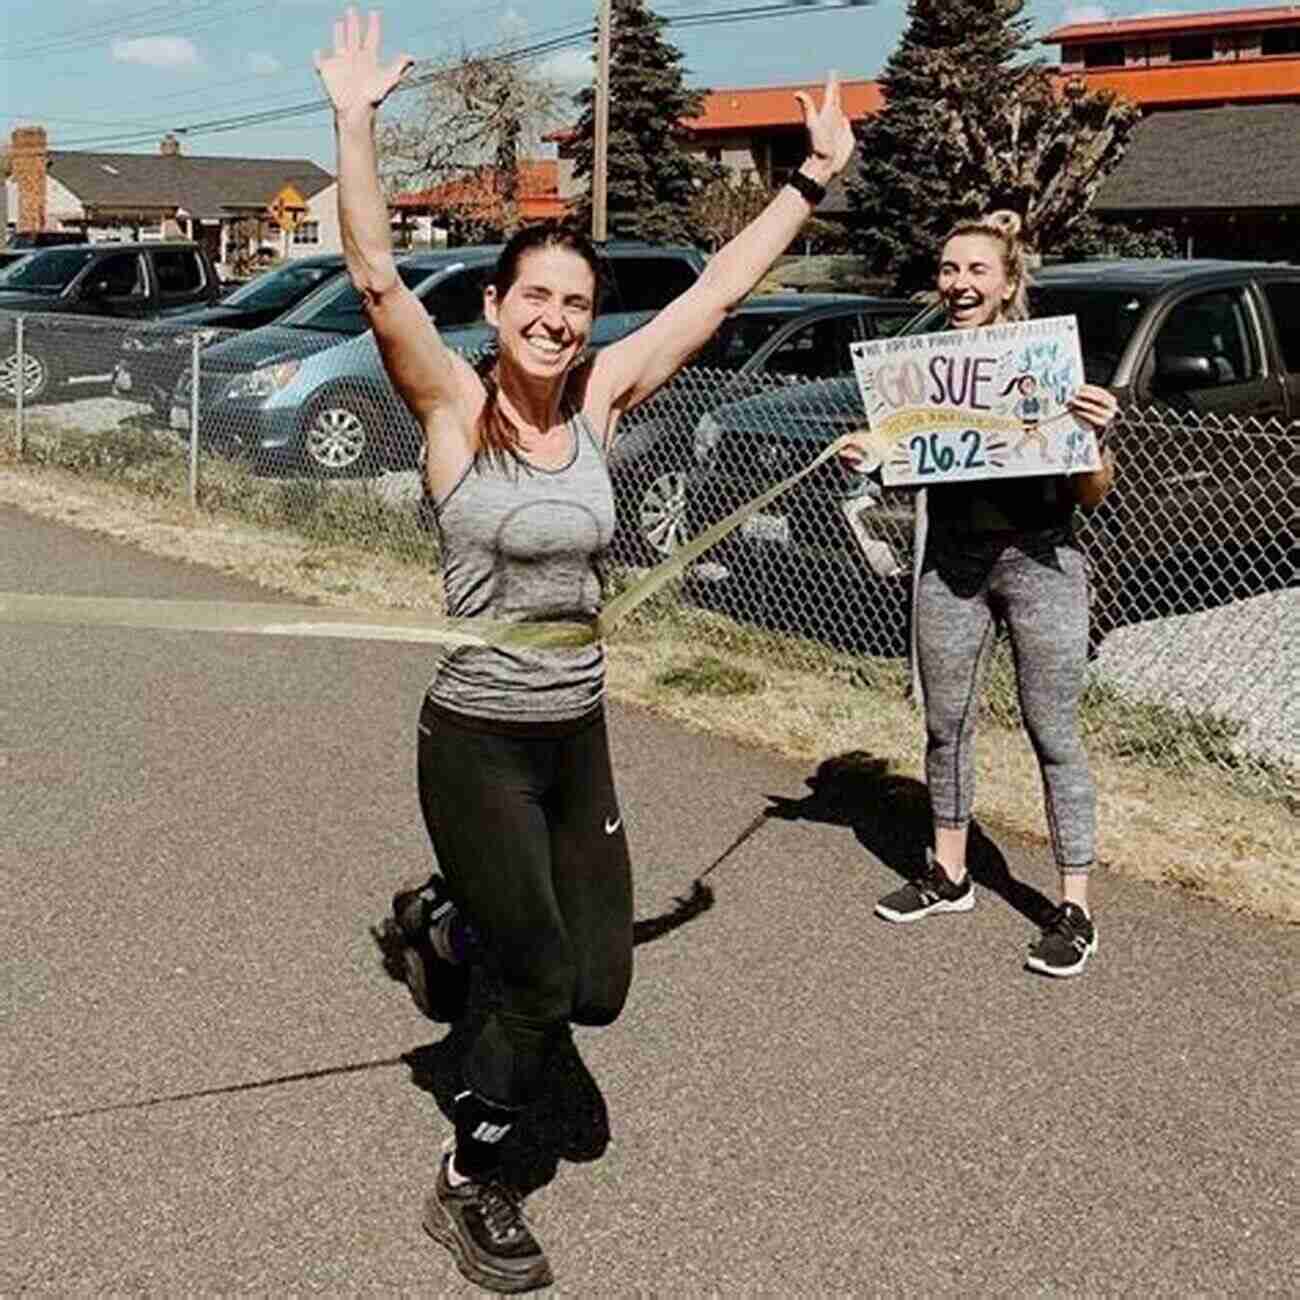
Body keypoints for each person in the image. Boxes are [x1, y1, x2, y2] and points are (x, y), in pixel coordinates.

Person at [315, 9, 854, 1291]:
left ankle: (444, 924)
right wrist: (353, 118)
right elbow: (380, 278)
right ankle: (475, 1179)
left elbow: (720, 290)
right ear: (495, 307)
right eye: (534, 298)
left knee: (598, 985)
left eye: (575, 304)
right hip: (478, 737)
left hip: (577, 729)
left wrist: (814, 179)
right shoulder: (452, 405)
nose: (555, 319)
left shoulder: (606, 401)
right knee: (540, 979)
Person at [871, 210, 1118, 979]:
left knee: (1054, 733)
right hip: (951, 565)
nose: (959, 283)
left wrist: (1096, 439)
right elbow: (906, 462)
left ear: (1009, 282)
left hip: (1041, 565)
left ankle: (1073, 908)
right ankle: (949, 874)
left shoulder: (1052, 368)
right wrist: (872, 453)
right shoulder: (922, 369)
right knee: (946, 727)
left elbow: (1094, 492)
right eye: (949, 269)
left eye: (977, 270)